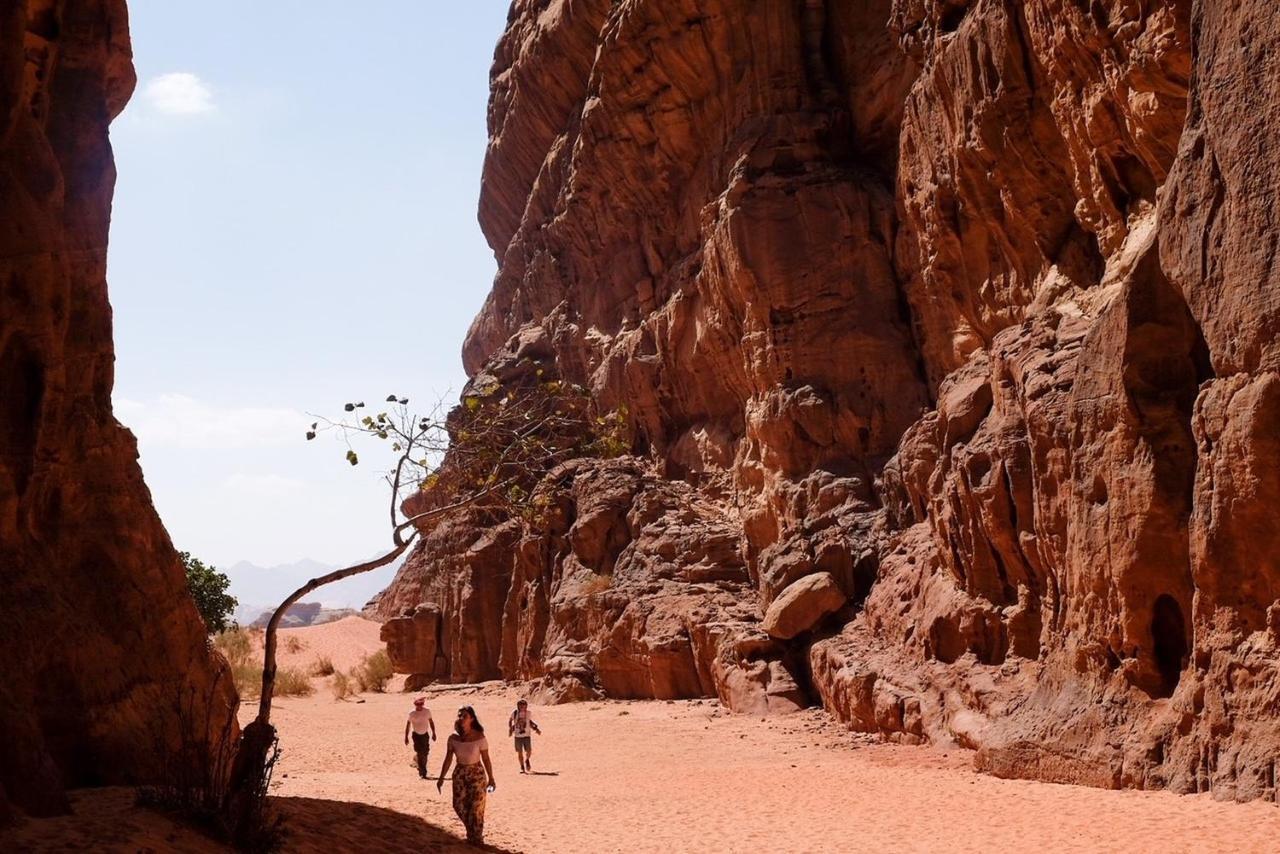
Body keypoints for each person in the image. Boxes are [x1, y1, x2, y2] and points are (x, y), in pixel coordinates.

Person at [436, 705, 496, 845]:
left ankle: (476, 838)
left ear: (471, 719)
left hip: (477, 774)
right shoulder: (453, 738)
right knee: (458, 805)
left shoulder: (479, 737)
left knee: (476, 808)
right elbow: (448, 758)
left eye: (464, 716)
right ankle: (472, 833)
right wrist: (441, 778)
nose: (461, 718)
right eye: (459, 715)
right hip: (460, 773)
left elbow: (486, 759)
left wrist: (491, 778)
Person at [404, 697, 437, 779]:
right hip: (416, 735)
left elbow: (431, 722)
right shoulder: (412, 713)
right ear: (415, 704)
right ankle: (423, 771)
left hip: (425, 735)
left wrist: (434, 733)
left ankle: (418, 763)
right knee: (419, 752)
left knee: (425, 753)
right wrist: (406, 737)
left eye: (421, 704)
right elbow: (408, 725)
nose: (419, 706)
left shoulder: (427, 711)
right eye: (418, 704)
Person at [507, 698, 542, 773]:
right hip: (518, 736)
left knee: (529, 751)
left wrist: (536, 729)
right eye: (521, 706)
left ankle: (527, 760)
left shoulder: (528, 713)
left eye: (524, 706)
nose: (523, 707)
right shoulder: (515, 713)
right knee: (520, 752)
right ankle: (522, 766)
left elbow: (530, 721)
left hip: (527, 735)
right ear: (518, 706)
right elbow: (510, 720)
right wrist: (510, 729)